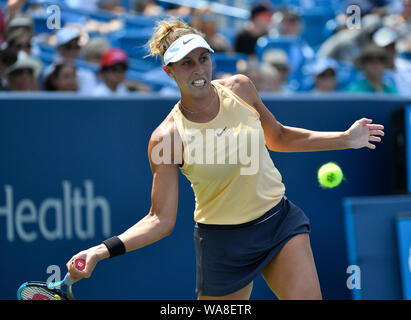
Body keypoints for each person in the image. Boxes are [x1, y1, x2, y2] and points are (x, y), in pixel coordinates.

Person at [66, 19, 385, 300]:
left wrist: (346, 138)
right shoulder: (166, 137)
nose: (199, 70)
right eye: (186, 63)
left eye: (203, 59)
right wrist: (100, 250)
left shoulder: (241, 89)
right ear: (169, 71)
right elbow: (159, 219)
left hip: (278, 222)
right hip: (223, 246)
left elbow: (279, 137)